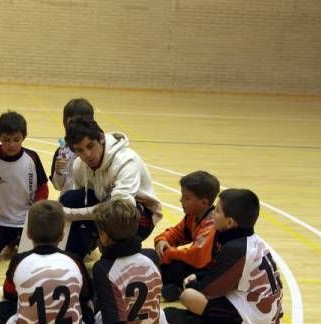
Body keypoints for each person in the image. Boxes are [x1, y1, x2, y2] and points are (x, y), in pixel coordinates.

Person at [0, 200, 94, 324]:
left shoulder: (19, 260)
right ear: (62, 234)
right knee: (90, 303)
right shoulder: (74, 260)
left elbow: (9, 295)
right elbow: (85, 297)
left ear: (27, 233)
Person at [164, 189, 283, 324]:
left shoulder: (236, 249)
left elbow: (211, 290)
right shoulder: (249, 240)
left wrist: (193, 284)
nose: (213, 214)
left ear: (229, 222)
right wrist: (198, 277)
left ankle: (197, 319)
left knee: (189, 296)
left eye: (218, 211)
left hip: (257, 318)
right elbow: (220, 272)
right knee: (194, 283)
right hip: (264, 307)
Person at [60, 116, 162, 259]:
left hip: (137, 214)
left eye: (90, 146)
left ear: (101, 138)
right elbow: (83, 199)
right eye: (80, 150)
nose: (87, 155)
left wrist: (71, 213)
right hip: (106, 205)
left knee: (116, 218)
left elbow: (118, 210)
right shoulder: (79, 165)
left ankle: (118, 258)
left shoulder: (125, 161)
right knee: (70, 198)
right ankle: (73, 258)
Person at [92, 199, 168, 324]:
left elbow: (114, 314)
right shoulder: (151, 256)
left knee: (95, 308)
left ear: (103, 236)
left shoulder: (103, 267)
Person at [0, 111, 49, 262]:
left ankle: (16, 240)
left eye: (16, 139)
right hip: (1, 221)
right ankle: (10, 240)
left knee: (36, 255)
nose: (12, 145)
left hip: (27, 222)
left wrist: (34, 217)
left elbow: (43, 189)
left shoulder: (32, 158)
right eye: (6, 140)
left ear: (23, 137)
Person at [154, 171, 219, 301]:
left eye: (186, 198)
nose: (181, 200)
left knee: (167, 269)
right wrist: (162, 240)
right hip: (197, 265)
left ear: (204, 202)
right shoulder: (193, 216)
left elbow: (197, 256)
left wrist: (169, 253)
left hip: (211, 271)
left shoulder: (212, 223)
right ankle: (178, 288)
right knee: (154, 258)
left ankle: (180, 289)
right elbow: (176, 233)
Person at [49, 98, 95, 196]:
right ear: (65, 123)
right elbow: (58, 186)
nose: (76, 127)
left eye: (80, 122)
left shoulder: (97, 150)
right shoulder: (62, 151)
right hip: (67, 204)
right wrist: (58, 172)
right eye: (71, 122)